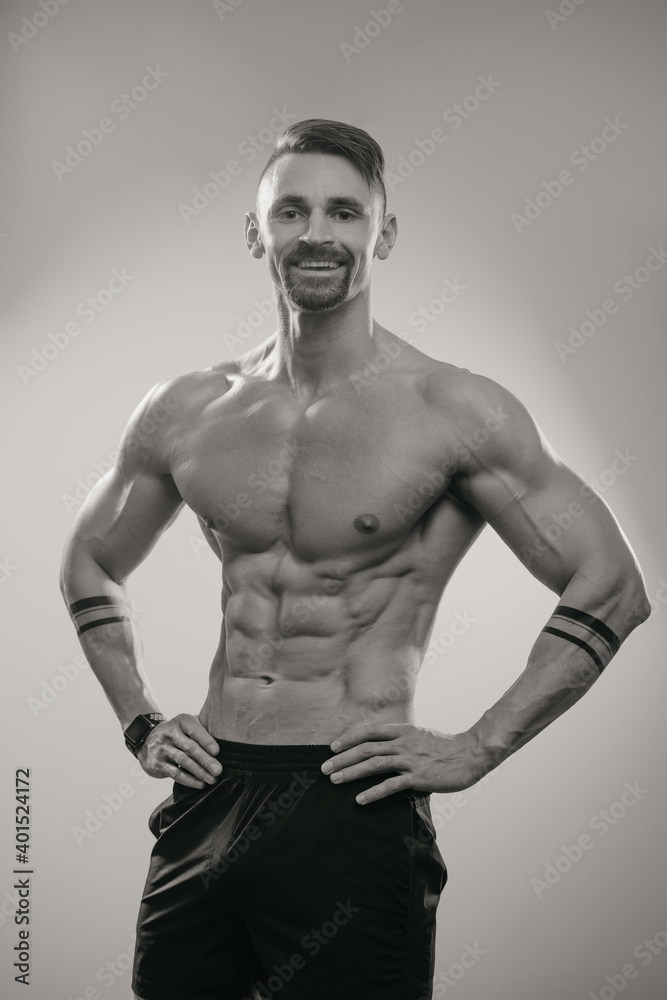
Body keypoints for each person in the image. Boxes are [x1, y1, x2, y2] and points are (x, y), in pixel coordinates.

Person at [59, 118, 651, 1000]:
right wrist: (141, 719)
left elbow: (613, 585)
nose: (317, 234)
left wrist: (481, 745)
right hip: (209, 789)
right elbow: (88, 562)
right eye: (291, 210)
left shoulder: (452, 408)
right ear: (257, 232)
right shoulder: (186, 409)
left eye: (344, 211)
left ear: (384, 232)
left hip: (348, 800)